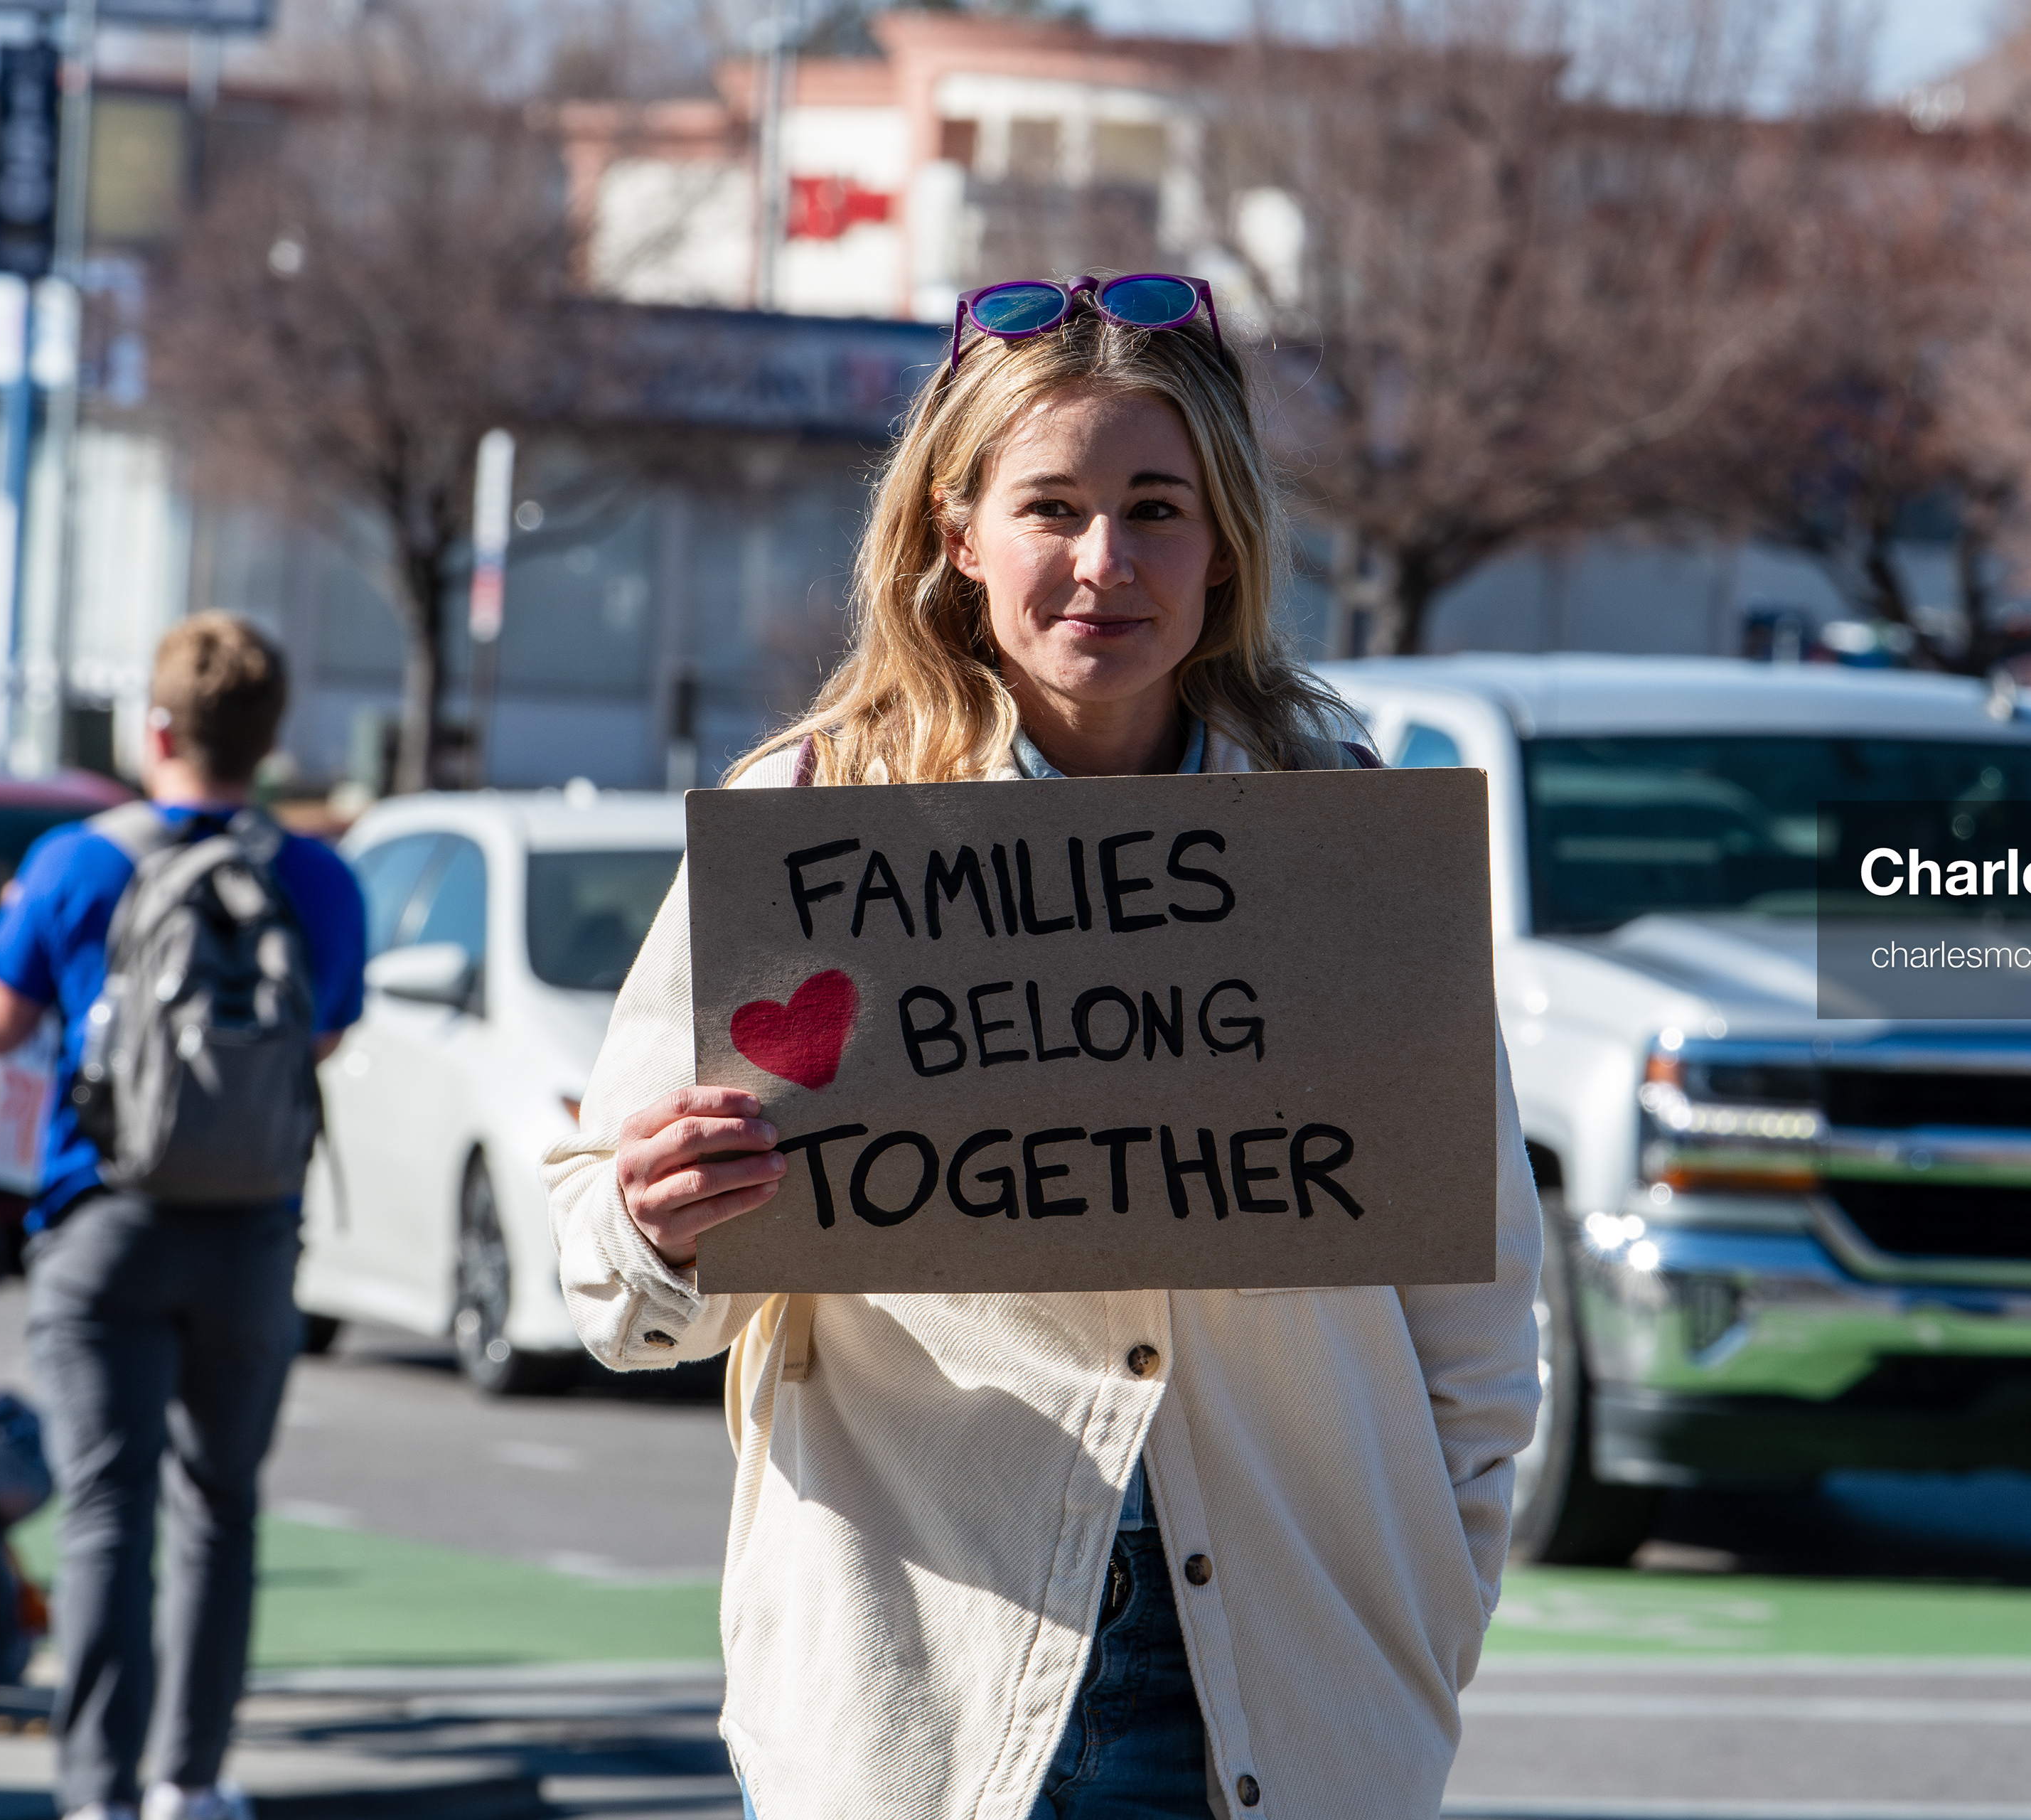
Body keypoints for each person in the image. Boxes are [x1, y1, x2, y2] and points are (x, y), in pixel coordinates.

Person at [543, 274, 1543, 1819]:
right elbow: (612, 1285)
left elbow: (1476, 1305)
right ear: (959, 533)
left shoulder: (1341, 840)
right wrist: (648, 1222)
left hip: (1279, 1701)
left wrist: (1424, 1608)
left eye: (1157, 507)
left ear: (1226, 544)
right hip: (924, 1705)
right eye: (1052, 506)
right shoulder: (811, 822)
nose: (1104, 561)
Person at [0, 615, 367, 1820]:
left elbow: (1, 1027)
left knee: (109, 1512)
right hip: (253, 1226)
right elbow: (323, 1034)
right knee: (222, 1507)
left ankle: (96, 1790)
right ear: (267, 740)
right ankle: (189, 1783)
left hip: (101, 1218)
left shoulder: (76, 863)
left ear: (156, 728)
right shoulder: (315, 875)